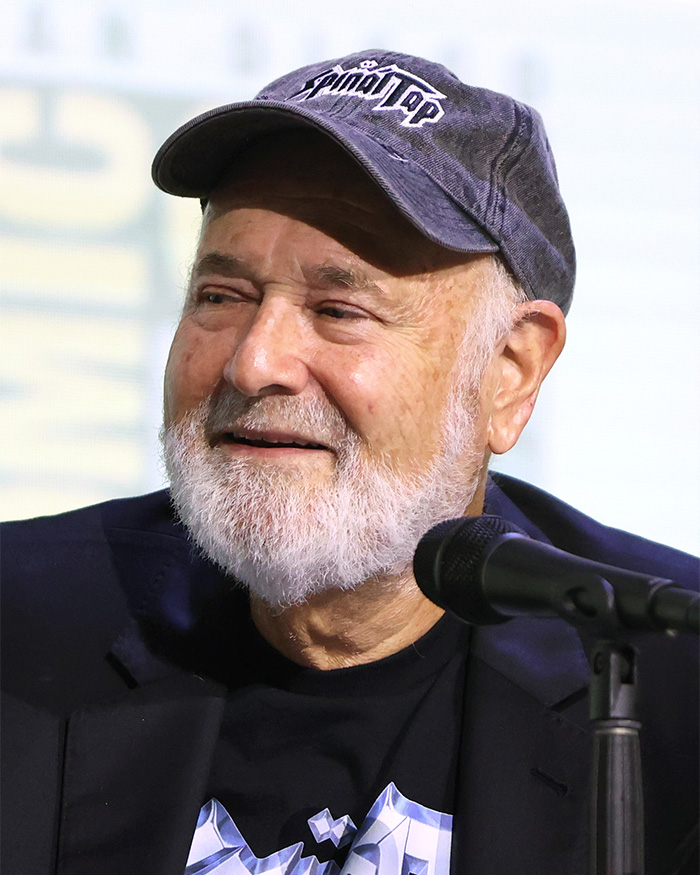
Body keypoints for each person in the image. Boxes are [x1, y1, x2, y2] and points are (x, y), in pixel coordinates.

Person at [1, 49, 697, 875]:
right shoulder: (18, 622)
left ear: (510, 372)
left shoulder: (670, 682)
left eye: (339, 309)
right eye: (222, 296)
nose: (255, 362)